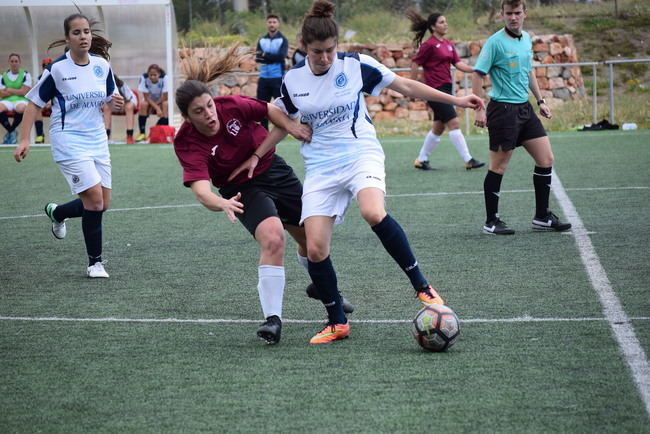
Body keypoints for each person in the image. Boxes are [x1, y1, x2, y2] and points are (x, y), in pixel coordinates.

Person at [230, 0, 484, 344]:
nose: (325, 58)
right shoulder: (293, 80)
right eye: (318, 52)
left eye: (330, 50)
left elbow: (406, 86)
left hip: (360, 153)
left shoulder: (355, 65)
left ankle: (422, 287)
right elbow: (280, 119)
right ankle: (337, 322)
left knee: (372, 210)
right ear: (305, 48)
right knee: (315, 248)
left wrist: (458, 100)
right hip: (321, 166)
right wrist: (259, 153)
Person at [172, 46, 352, 345]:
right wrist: (222, 202)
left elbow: (268, 109)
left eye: (209, 106)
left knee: (312, 241)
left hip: (273, 170)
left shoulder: (230, 104)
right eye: (199, 112)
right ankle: (273, 320)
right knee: (273, 237)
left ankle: (326, 290)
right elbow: (202, 190)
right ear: (187, 118)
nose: (209, 114)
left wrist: (290, 128)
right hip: (241, 190)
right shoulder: (187, 142)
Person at [14, 13, 124, 278]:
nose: (83, 36)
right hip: (69, 141)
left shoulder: (102, 66)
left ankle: (58, 213)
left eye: (86, 31)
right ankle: (95, 263)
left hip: (97, 140)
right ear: (68, 38)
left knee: (103, 203)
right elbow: (34, 103)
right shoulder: (57, 69)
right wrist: (24, 138)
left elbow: (111, 97)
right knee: (95, 201)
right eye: (77, 32)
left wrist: (115, 103)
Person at [472, 0, 571, 235]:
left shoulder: (526, 38)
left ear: (525, 13)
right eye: (509, 13)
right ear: (502, 15)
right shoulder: (495, 42)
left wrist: (541, 101)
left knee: (546, 158)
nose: (513, 17)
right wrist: (478, 107)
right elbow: (477, 75)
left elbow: (528, 71)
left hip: (525, 110)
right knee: (499, 166)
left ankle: (542, 216)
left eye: (517, 13)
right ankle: (491, 221)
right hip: (502, 111)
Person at [407, 10, 485, 172]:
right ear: (433, 27)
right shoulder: (429, 45)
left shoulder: (448, 44)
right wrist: (412, 87)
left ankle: (421, 160)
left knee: (438, 127)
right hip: (433, 90)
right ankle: (468, 160)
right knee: (454, 122)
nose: (445, 24)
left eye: (445, 21)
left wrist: (476, 69)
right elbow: (415, 63)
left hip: (447, 88)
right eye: (442, 22)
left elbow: (458, 64)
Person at [255, 14, 289, 130]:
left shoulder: (283, 40)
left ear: (278, 24)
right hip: (263, 78)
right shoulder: (262, 40)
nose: (272, 24)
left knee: (282, 108)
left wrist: (265, 55)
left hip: (277, 78)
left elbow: (281, 56)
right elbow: (258, 58)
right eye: (270, 22)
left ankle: (282, 130)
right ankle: (263, 134)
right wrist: (270, 56)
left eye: (274, 22)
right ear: (267, 24)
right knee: (261, 108)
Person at [0, 53, 32, 144]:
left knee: (21, 108)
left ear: (20, 62)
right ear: (9, 62)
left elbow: (24, 92)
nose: (14, 63)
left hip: (21, 100)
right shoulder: (3, 76)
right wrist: (18, 90)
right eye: (12, 61)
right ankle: (11, 131)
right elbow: (1, 94)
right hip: (7, 100)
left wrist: (8, 89)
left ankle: (11, 132)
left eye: (16, 61)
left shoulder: (25, 74)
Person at [136, 63, 168, 142]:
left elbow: (165, 97)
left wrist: (156, 107)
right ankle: (142, 133)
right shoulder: (144, 77)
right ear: (148, 74)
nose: (152, 77)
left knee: (166, 104)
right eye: (151, 75)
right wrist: (156, 107)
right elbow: (146, 97)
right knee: (143, 104)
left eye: (155, 75)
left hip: (161, 101)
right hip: (149, 101)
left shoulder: (165, 77)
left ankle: (160, 132)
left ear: (159, 74)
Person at [103, 73, 137, 144]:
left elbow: (129, 99)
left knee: (129, 107)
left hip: (127, 102)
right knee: (106, 107)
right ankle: (107, 137)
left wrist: (121, 105)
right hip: (115, 105)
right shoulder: (103, 86)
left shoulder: (121, 85)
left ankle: (129, 136)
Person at [34, 57, 53, 144]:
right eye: (44, 66)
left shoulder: (57, 75)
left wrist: (51, 102)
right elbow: (39, 94)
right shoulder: (40, 78)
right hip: (45, 103)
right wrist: (44, 102)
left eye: (48, 65)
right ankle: (40, 135)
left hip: (56, 103)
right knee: (36, 109)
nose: (46, 67)